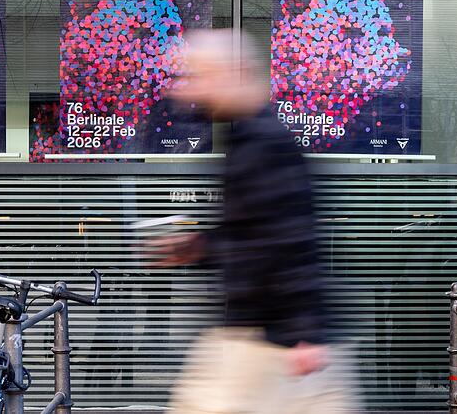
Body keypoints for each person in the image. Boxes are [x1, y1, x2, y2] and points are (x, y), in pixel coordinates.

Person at [149, 29, 357, 414]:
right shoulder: (246, 137)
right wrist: (201, 247)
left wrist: (303, 332)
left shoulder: (263, 141)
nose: (194, 88)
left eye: (203, 75)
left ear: (237, 73)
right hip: (257, 333)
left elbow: (292, 237)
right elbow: (253, 235)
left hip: (267, 339)